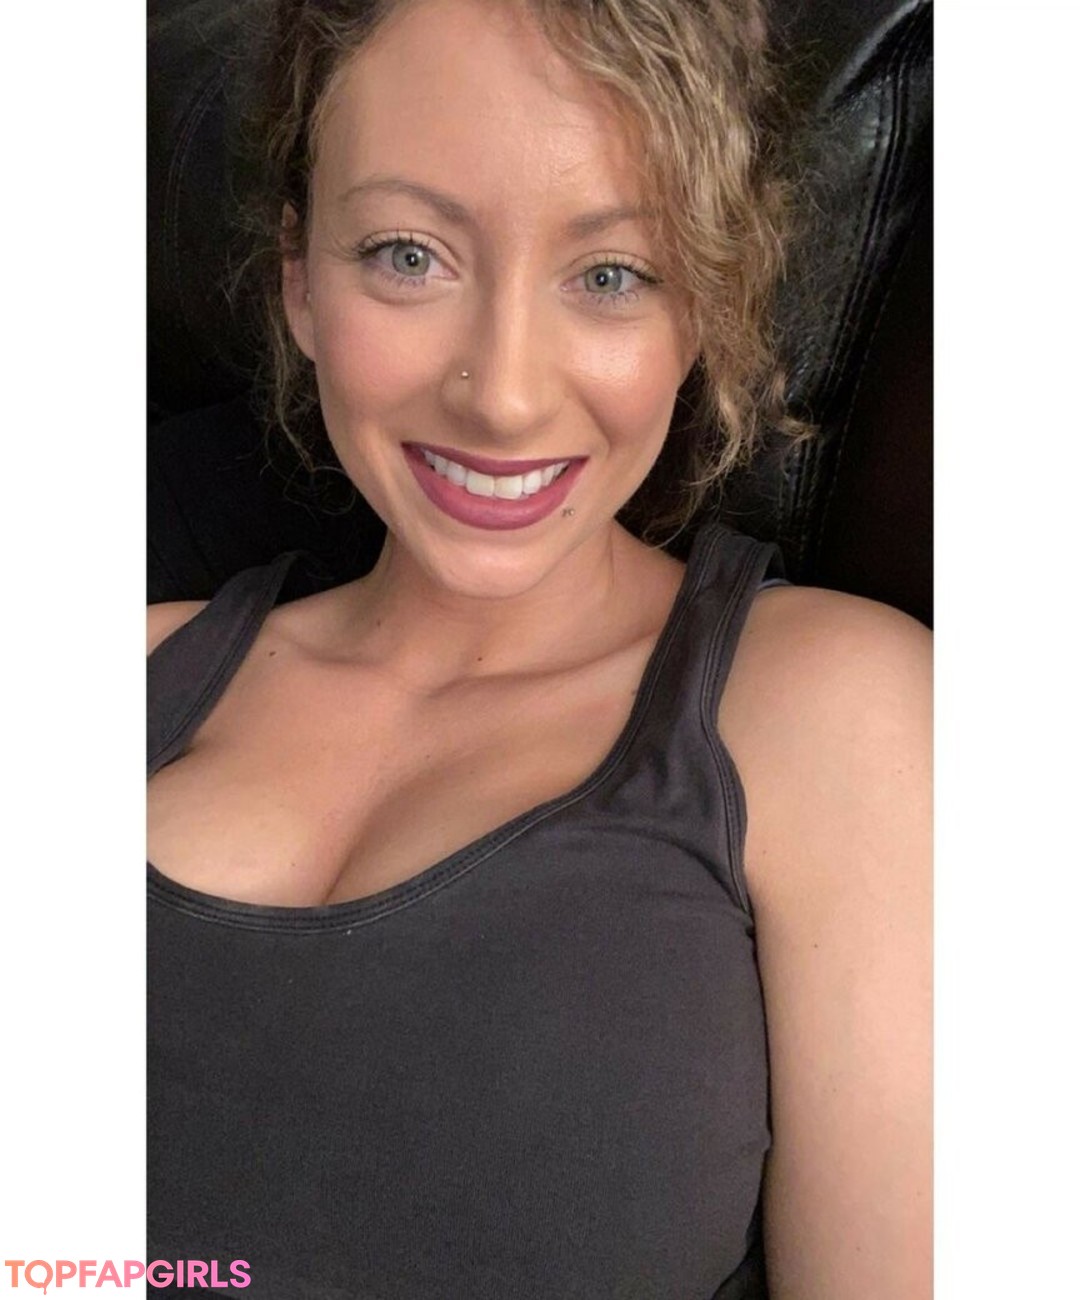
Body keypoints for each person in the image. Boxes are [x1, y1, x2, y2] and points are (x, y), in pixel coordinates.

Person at [147, 0, 931, 1296]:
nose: (504, 395)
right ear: (298, 281)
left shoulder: (840, 717)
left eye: (611, 274)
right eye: (407, 255)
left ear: (703, 306)